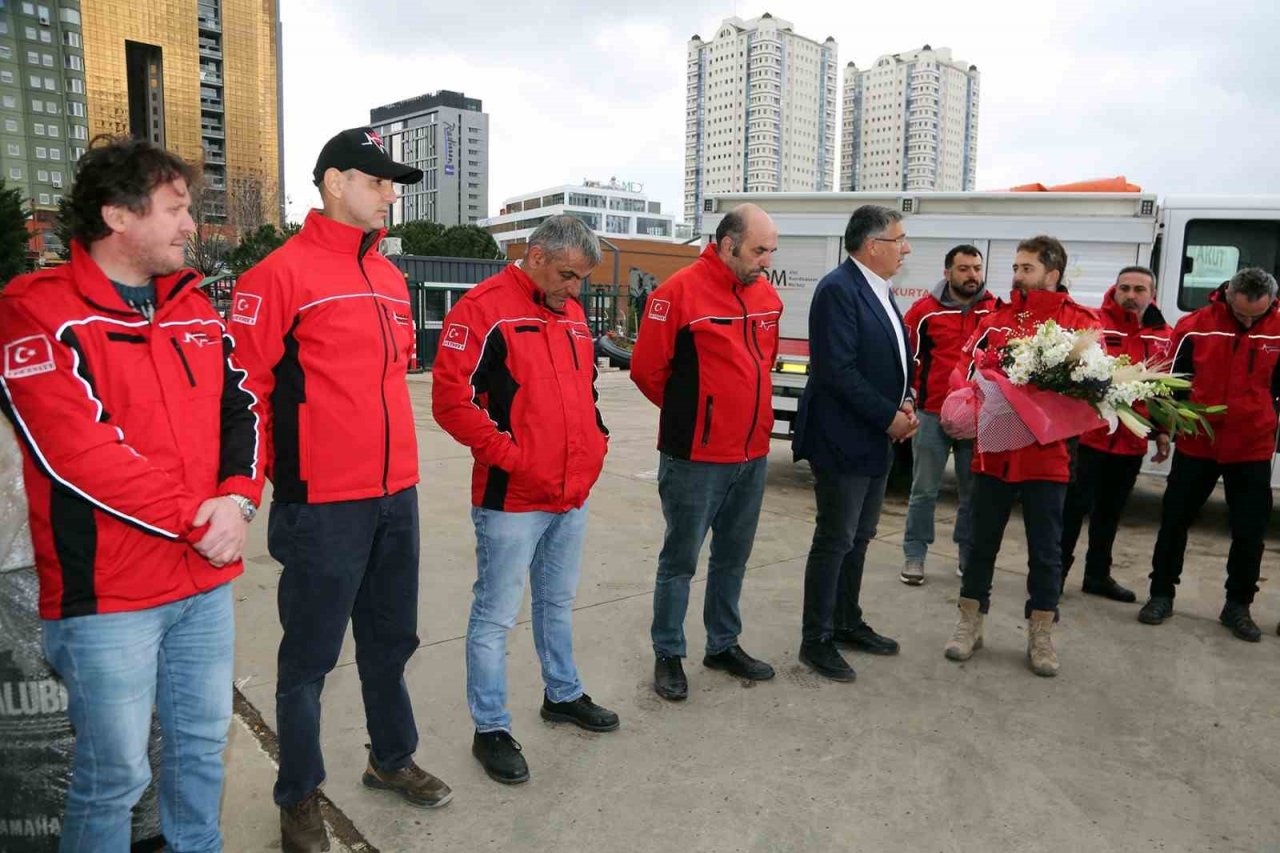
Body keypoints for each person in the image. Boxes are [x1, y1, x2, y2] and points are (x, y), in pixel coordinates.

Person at [0, 136, 263, 851]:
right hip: (107, 596)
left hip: (202, 581)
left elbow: (244, 407)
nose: (190, 226)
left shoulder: (193, 304)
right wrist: (195, 518)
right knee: (113, 777)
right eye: (176, 209)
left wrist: (237, 500)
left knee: (201, 751)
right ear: (118, 215)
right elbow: (78, 453)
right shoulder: (36, 309)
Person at [231, 127, 450, 853]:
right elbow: (247, 396)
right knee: (309, 660)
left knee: (391, 642)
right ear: (333, 183)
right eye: (378, 180)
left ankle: (390, 758)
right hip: (323, 503)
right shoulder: (277, 277)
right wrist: (251, 489)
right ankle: (297, 793)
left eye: (394, 182)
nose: (391, 192)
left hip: (397, 496)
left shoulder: (389, 278)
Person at [432, 215, 618, 785]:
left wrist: (597, 442)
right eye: (568, 275)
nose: (575, 289)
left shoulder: (573, 314)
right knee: (494, 616)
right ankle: (490, 728)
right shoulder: (482, 309)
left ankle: (562, 694)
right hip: (511, 498)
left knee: (557, 603)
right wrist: (510, 456)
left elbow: (585, 390)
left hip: (571, 491)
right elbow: (450, 400)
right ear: (535, 255)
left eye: (582, 279)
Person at [630, 204, 783, 701]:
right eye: (759, 251)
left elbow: (765, 363)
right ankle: (669, 653)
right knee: (680, 561)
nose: (765, 261)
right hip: (695, 458)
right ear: (727, 243)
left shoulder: (765, 294)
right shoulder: (675, 294)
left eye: (770, 252)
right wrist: (698, 416)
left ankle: (723, 643)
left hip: (752, 454)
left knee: (733, 559)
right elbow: (648, 371)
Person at [943, 235, 1101, 677]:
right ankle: (969, 623)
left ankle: (1041, 633)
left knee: (1046, 552)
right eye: (1015, 267)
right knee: (980, 544)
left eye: (1026, 268)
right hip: (994, 453)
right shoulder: (996, 319)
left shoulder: (1081, 324)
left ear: (1052, 273)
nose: (1017, 275)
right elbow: (968, 366)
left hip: (1047, 457)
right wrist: (976, 384)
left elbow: (1095, 386)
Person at [792, 204, 917, 682]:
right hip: (844, 439)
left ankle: (845, 621)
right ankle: (816, 638)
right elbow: (836, 371)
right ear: (872, 245)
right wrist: (890, 417)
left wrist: (906, 399)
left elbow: (895, 359)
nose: (906, 248)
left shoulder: (881, 290)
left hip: (875, 438)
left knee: (859, 538)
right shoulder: (837, 290)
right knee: (835, 538)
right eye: (899, 239)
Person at [1138, 268, 1280, 642]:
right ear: (1228, 296)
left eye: (1258, 315)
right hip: (1197, 443)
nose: (1250, 321)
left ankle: (1238, 605)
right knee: (1174, 522)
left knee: (1249, 532)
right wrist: (1164, 429)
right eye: (1243, 313)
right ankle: (1161, 594)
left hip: (1252, 448)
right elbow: (1170, 383)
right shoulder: (1195, 326)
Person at [1060, 267, 1172, 603]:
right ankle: (1055, 573)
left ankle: (1097, 575)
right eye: (1125, 288)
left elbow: (1162, 389)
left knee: (1109, 514)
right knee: (1072, 509)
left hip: (1131, 442)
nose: (1131, 295)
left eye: (1139, 289)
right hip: (1091, 438)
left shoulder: (1163, 334)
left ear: (1151, 294)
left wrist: (1163, 431)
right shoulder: (1093, 323)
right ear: (1115, 288)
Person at [900, 244, 995, 585]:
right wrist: (907, 400)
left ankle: (966, 556)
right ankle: (914, 555)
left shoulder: (994, 311)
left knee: (973, 494)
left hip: (979, 419)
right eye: (964, 268)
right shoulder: (923, 311)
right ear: (947, 272)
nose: (972, 275)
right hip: (931, 414)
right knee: (924, 490)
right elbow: (906, 360)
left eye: (976, 268)